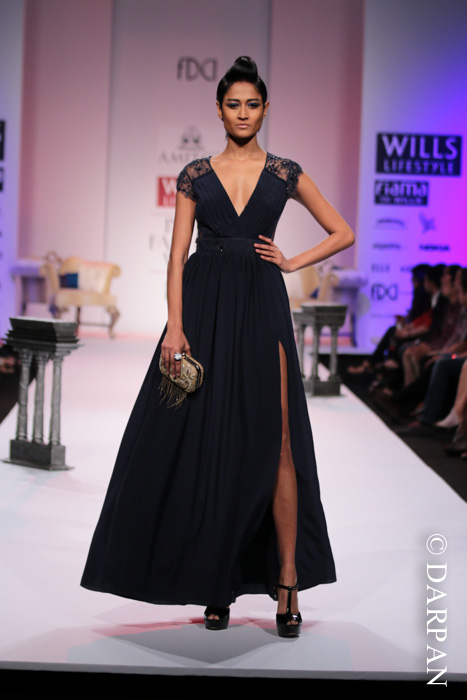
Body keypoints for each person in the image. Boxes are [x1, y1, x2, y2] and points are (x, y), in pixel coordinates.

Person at [81, 57, 355, 637]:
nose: (243, 113)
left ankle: (287, 579)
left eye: (252, 104)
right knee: (210, 441)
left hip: (262, 308)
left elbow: (343, 231)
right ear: (219, 110)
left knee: (279, 441)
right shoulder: (194, 174)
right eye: (233, 104)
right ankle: (217, 579)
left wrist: (292, 262)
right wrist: (174, 327)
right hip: (204, 309)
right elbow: (176, 257)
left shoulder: (285, 172)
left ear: (266, 109)